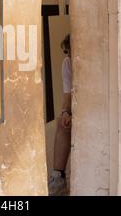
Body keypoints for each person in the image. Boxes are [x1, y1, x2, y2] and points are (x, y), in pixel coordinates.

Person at [48, 34, 72, 196]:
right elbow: (67, 94)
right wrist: (65, 112)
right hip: (76, 105)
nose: (68, 55)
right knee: (61, 124)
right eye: (67, 52)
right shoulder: (67, 63)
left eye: (70, 51)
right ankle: (58, 178)